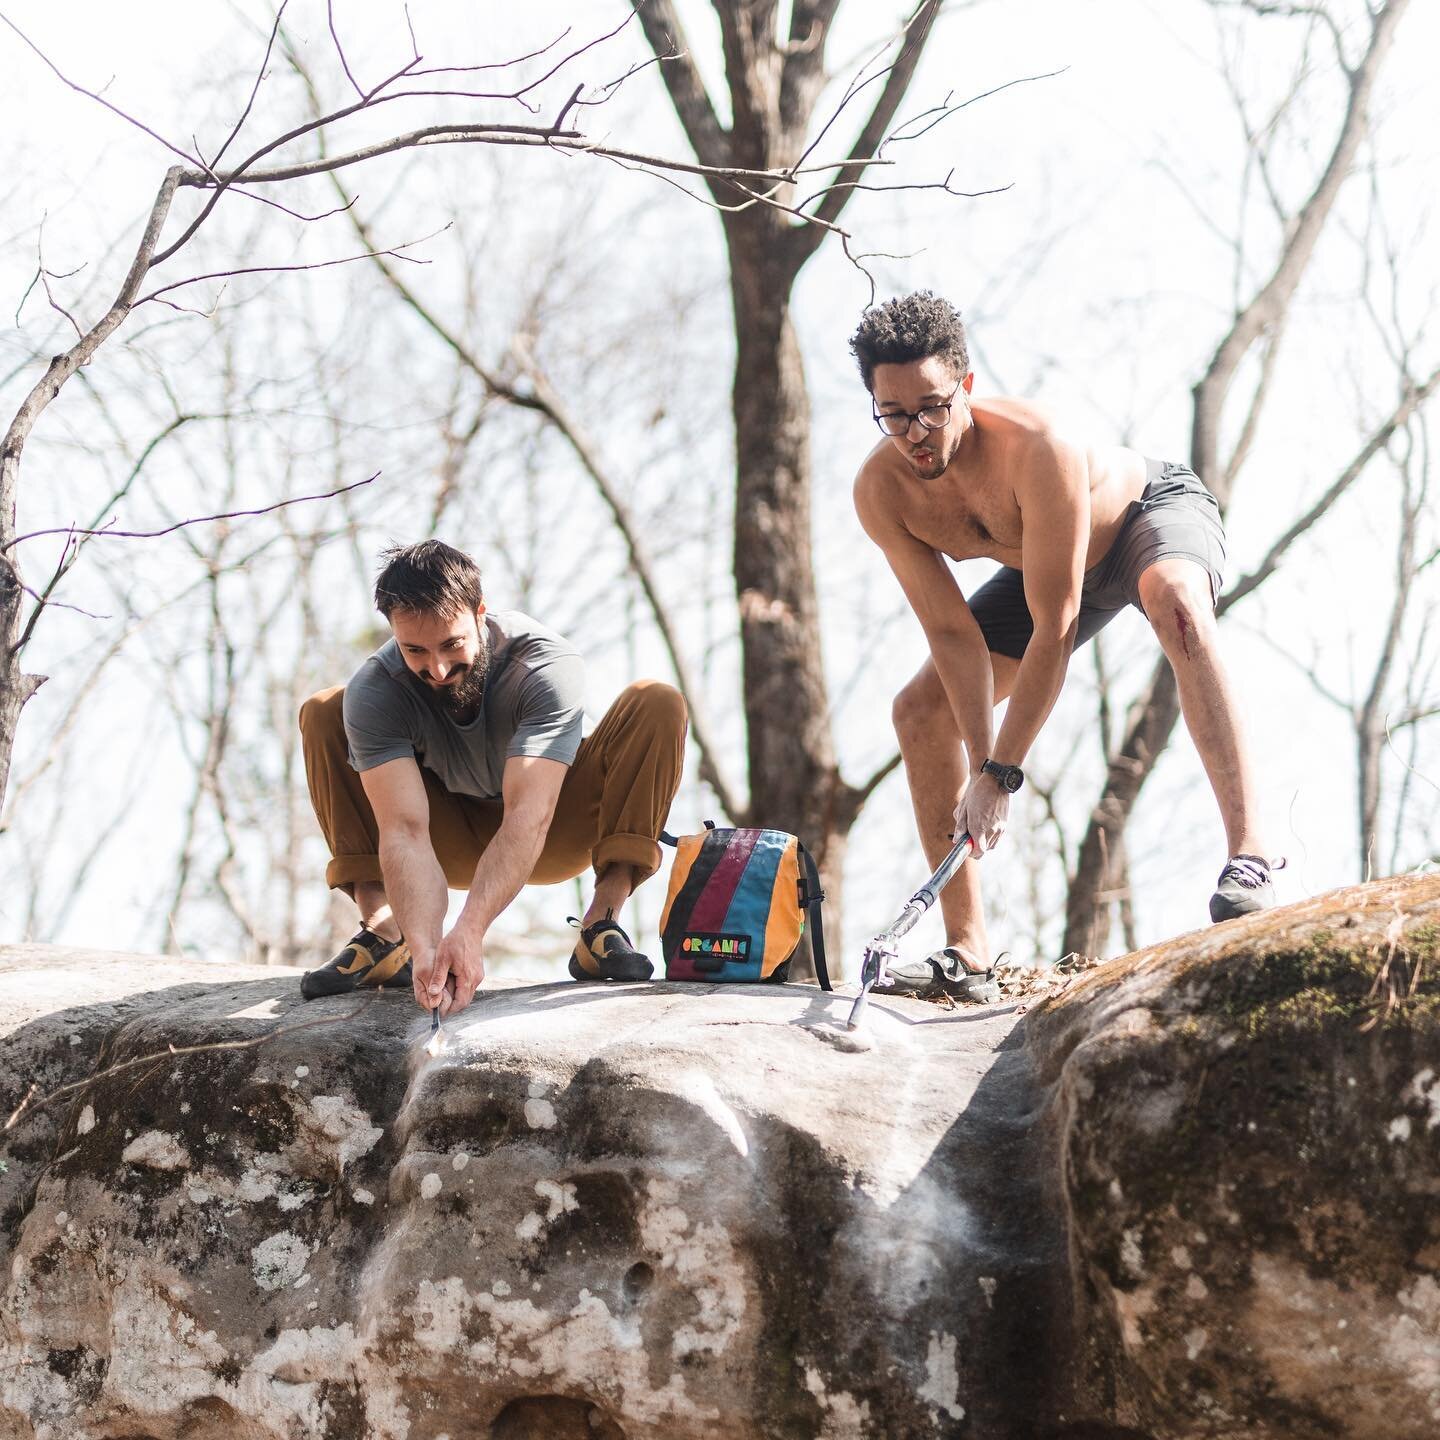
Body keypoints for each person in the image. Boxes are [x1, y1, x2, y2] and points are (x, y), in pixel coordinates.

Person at [849, 291, 1283, 1002]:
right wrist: (978, 769)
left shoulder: (1036, 447)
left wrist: (1001, 774)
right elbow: (953, 634)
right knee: (919, 712)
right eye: (893, 414)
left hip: (1145, 519)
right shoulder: (882, 492)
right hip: (1047, 570)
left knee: (1176, 603)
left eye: (932, 406)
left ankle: (1252, 856)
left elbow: (1055, 623)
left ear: (966, 387)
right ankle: (968, 952)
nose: (916, 431)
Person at [297, 540, 687, 1016]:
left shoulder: (544, 665)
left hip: (552, 830)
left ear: (480, 613)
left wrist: (470, 931)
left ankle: (600, 925)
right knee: (322, 710)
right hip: (446, 841)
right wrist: (426, 946)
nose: (437, 668)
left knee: (657, 699)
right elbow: (403, 830)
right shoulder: (377, 688)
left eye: (451, 644)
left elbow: (530, 812)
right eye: (414, 649)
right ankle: (385, 933)